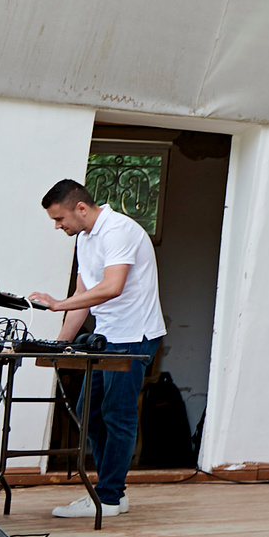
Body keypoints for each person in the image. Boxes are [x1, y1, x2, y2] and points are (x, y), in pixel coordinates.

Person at [29, 179, 166, 519]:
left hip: (134, 335)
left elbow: (112, 286)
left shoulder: (118, 230)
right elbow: (83, 297)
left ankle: (108, 497)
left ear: (80, 208)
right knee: (88, 412)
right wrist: (59, 345)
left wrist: (57, 304)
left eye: (59, 219)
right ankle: (111, 493)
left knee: (117, 414)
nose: (58, 226)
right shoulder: (84, 237)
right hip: (108, 336)